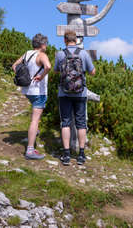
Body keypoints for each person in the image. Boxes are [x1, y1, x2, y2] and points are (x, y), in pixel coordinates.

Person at [54, 30, 95, 166]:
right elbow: (92, 72)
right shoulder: (83, 54)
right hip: (80, 93)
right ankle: (81, 154)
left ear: (65, 40)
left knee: (65, 123)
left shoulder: (60, 54)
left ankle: (66, 155)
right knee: (81, 123)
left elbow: (56, 71)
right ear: (76, 40)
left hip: (64, 93)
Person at [12, 33, 51, 160]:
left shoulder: (27, 54)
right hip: (38, 91)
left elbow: (14, 66)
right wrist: (42, 76)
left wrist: (23, 76)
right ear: (42, 44)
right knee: (35, 119)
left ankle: (34, 132)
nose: (46, 46)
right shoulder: (42, 55)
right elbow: (48, 67)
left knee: (36, 116)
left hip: (27, 90)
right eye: (46, 44)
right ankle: (30, 150)